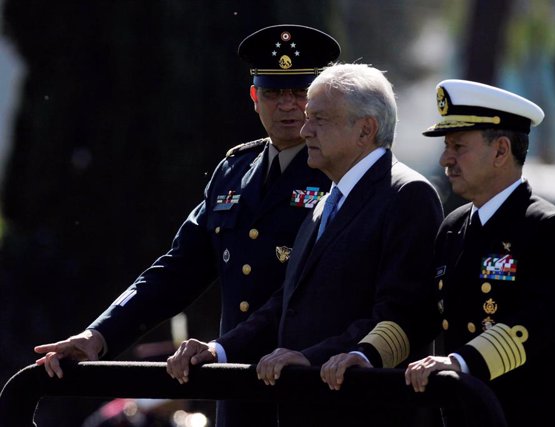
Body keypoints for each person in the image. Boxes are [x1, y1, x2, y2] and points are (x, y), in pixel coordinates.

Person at [33, 24, 340, 427]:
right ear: (254, 98)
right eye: (272, 93)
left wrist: (221, 348)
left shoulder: (337, 172)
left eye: (299, 93)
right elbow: (176, 271)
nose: (287, 106)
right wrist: (97, 337)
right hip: (238, 393)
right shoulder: (234, 171)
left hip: (312, 388)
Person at [165, 63, 444, 427]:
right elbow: (287, 304)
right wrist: (219, 349)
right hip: (308, 407)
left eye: (320, 119)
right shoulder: (328, 199)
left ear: (365, 129)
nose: (304, 128)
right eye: (308, 117)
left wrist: (309, 357)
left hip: (365, 411)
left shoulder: (407, 195)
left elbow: (402, 314)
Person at [401, 79, 555, 426]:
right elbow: (421, 314)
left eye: (458, 146)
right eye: (446, 146)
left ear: (501, 151)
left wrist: (460, 362)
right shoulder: (453, 225)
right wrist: (363, 354)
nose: (445, 159)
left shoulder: (548, 228)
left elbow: (534, 323)